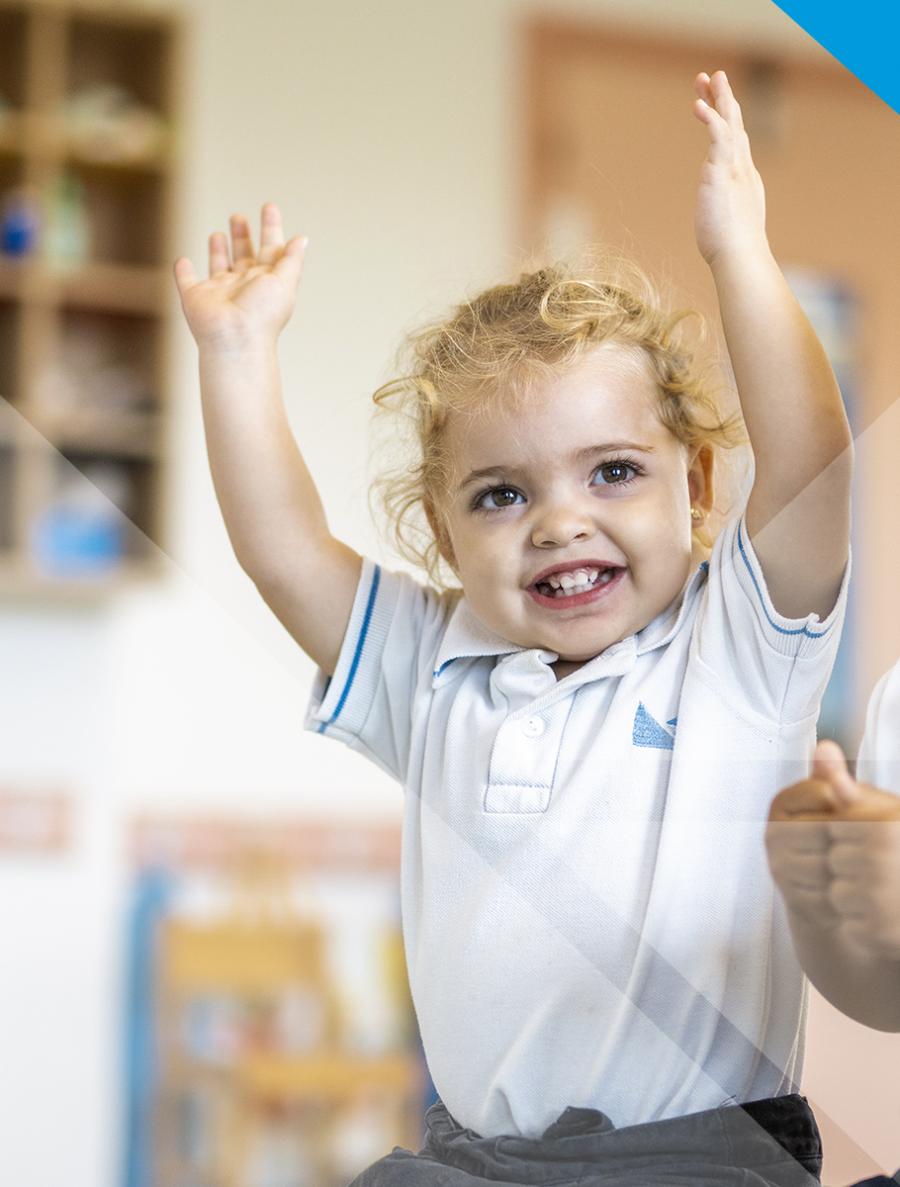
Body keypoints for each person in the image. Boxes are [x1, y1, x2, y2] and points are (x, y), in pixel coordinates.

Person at [175, 71, 852, 1185]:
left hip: (699, 1156)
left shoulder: (735, 647)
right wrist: (238, 358)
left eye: (613, 471)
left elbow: (816, 465)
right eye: (500, 494)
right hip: (478, 1159)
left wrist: (742, 253)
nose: (559, 521)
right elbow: (287, 552)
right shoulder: (434, 664)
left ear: (693, 486)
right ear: (443, 535)